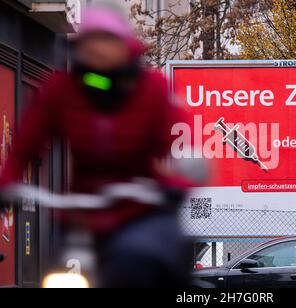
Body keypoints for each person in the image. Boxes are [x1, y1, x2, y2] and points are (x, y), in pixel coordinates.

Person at [0, 4, 194, 288]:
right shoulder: (61, 90)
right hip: (81, 214)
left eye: (106, 40)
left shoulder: (151, 88)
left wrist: (178, 182)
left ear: (123, 44)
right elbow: (24, 146)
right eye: (89, 41)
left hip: (139, 210)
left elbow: (178, 143)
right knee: (57, 269)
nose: (97, 49)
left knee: (143, 262)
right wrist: (7, 183)